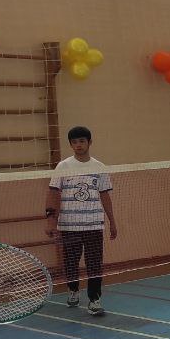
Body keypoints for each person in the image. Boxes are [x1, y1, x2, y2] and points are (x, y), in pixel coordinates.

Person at [46, 126, 118, 316]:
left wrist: (112, 221)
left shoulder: (99, 167)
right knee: (71, 262)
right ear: (71, 145)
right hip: (69, 225)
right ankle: (73, 290)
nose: (78, 145)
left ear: (89, 142)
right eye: (74, 142)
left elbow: (105, 196)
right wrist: (50, 221)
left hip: (94, 224)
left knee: (95, 264)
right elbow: (53, 193)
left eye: (82, 141)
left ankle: (95, 300)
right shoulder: (63, 166)